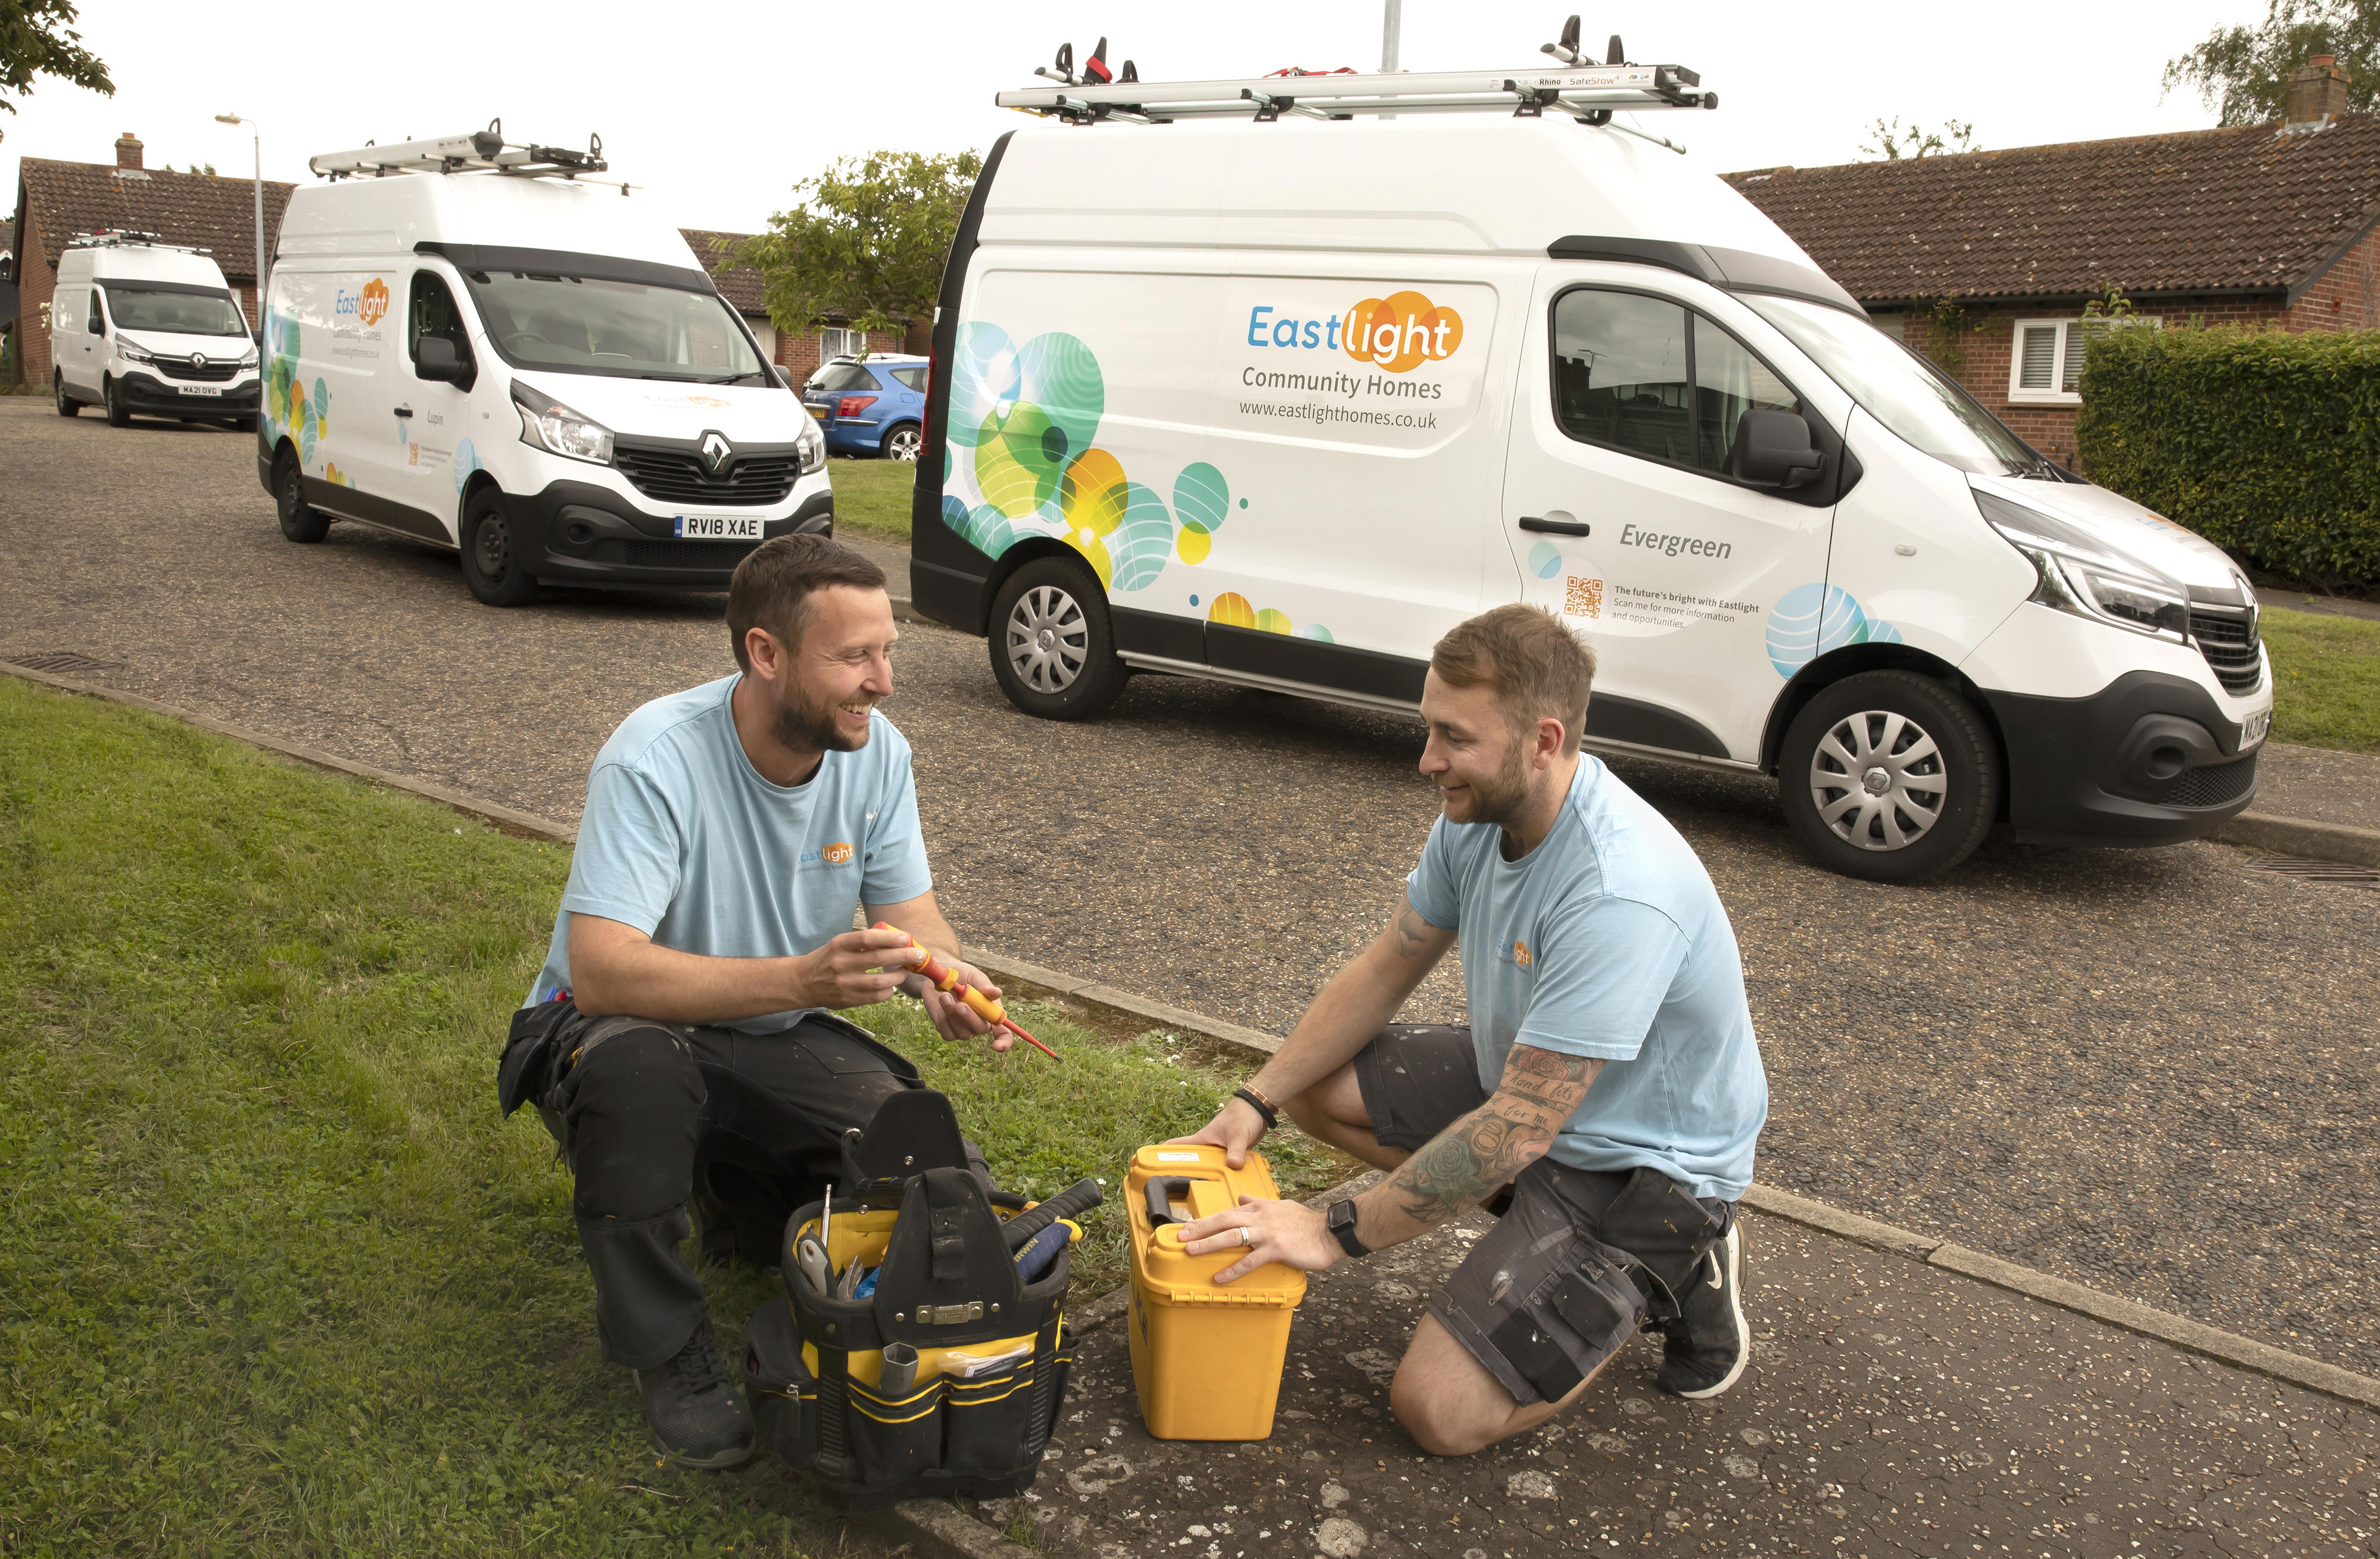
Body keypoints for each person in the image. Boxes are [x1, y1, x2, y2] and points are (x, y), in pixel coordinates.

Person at [1173, 604, 1768, 1457]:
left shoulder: (1618, 890)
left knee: (1439, 1410)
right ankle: (1541, 1236)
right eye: (1428, 728)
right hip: (1531, 1097)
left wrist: (1333, 1227)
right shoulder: (1480, 814)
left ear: (1543, 739)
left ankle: (1663, 1269)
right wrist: (1255, 1097)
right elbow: (1388, 964)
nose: (1427, 760)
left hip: (1645, 1166)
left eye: (1454, 737)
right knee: (1310, 1083)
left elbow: (1520, 1124)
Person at [506, 534, 1010, 1469]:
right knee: (642, 1076)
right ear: (765, 654)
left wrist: (944, 972)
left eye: (888, 650)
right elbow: (606, 969)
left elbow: (914, 916)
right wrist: (800, 980)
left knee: (939, 1169)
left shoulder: (878, 753)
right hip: (612, 1027)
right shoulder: (653, 757)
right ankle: (669, 1355)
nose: (884, 681)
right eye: (855, 657)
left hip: (765, 1029)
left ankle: (736, 1192)